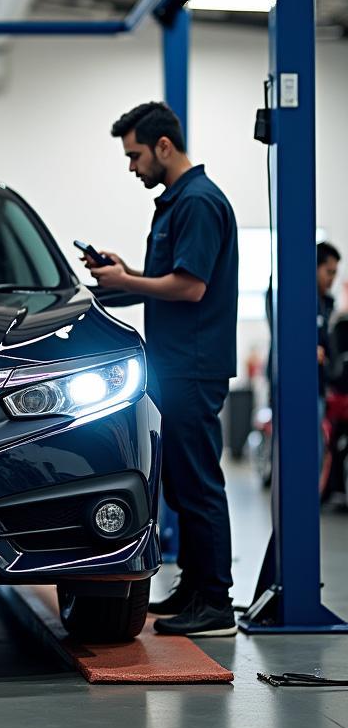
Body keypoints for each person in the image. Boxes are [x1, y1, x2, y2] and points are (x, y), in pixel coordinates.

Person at [84, 101, 239, 637]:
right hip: (178, 363)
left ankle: (216, 603)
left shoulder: (197, 202)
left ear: (163, 147)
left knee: (197, 484)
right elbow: (169, 284)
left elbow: (190, 288)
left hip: (194, 366)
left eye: (135, 156)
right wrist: (122, 276)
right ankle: (196, 589)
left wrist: (128, 282)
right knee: (180, 483)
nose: (132, 167)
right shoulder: (178, 203)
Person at [318, 242, 341, 491]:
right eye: (329, 271)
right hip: (297, 392)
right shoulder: (297, 302)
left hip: (321, 388)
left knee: (318, 449)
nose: (332, 279)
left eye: (335, 273)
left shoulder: (329, 305)